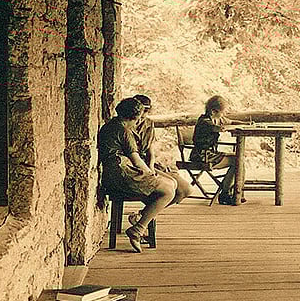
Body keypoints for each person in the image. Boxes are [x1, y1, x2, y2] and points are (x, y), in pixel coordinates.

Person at [98, 97, 177, 253]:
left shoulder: (110, 126)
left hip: (111, 174)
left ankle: (141, 220)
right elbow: (136, 160)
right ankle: (138, 228)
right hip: (121, 174)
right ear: (135, 116)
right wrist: (150, 174)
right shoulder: (124, 131)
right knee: (168, 190)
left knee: (171, 184)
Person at [132, 94, 191, 204]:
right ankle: (146, 216)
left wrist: (151, 167)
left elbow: (150, 150)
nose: (142, 115)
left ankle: (143, 214)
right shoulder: (127, 124)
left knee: (186, 190)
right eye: (140, 111)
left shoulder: (148, 124)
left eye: (145, 111)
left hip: (148, 163)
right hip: (135, 166)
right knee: (169, 186)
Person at [190, 95, 237, 204]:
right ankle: (226, 193)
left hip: (210, 154)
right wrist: (223, 128)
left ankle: (231, 191)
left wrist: (246, 124)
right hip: (202, 156)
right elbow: (218, 128)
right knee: (237, 161)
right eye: (223, 112)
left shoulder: (215, 118)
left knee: (238, 159)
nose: (224, 115)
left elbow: (231, 122)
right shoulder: (205, 122)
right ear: (213, 111)